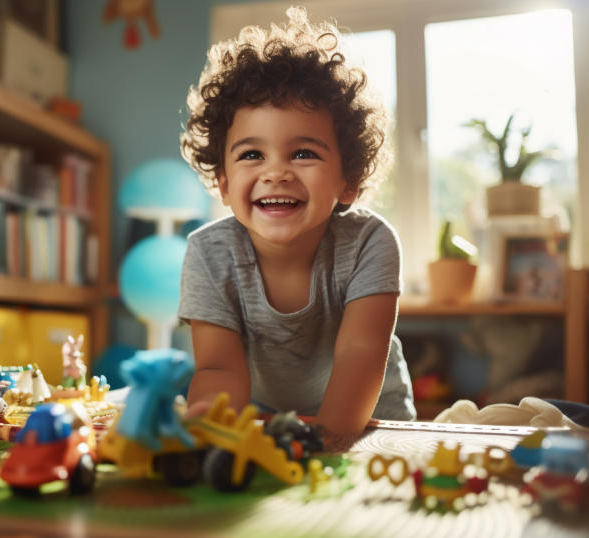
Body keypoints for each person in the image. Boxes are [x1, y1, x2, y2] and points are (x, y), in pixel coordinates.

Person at [177, 7, 415, 450]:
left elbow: (359, 356)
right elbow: (218, 370)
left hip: (373, 423)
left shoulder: (370, 243)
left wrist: (324, 441)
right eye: (252, 155)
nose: (276, 173)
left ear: (350, 181)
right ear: (224, 185)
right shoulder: (208, 253)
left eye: (303, 153)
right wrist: (209, 426)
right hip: (273, 424)